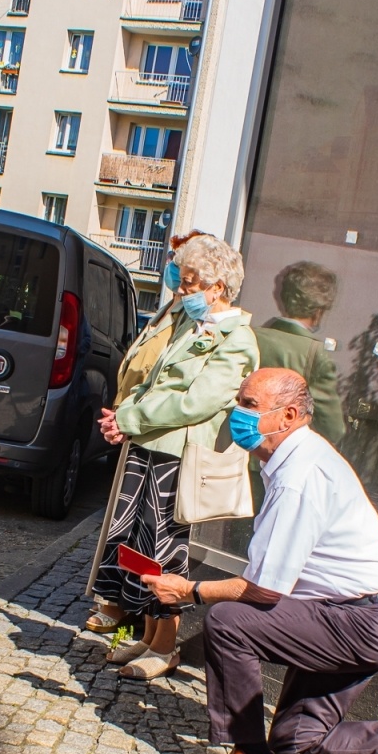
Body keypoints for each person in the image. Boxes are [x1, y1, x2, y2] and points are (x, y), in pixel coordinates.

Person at [139, 368, 378, 754]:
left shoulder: (299, 475)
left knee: (229, 620)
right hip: (354, 614)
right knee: (295, 743)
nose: (238, 413)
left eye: (249, 405)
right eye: (239, 401)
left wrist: (190, 590)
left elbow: (264, 591)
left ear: (288, 415)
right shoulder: (295, 460)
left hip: (361, 620)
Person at [88, 233, 258, 678]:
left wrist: (131, 419)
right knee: (135, 546)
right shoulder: (188, 320)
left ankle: (165, 647)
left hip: (178, 458)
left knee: (164, 550)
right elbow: (155, 378)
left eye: (189, 282)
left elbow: (196, 402)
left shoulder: (237, 338)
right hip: (149, 447)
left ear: (216, 287)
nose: (180, 290)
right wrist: (124, 415)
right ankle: (145, 637)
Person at [254, 261, 346, 444]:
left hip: (236, 455)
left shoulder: (250, 336)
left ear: (281, 298)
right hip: (279, 458)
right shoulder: (316, 355)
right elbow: (333, 428)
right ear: (320, 310)